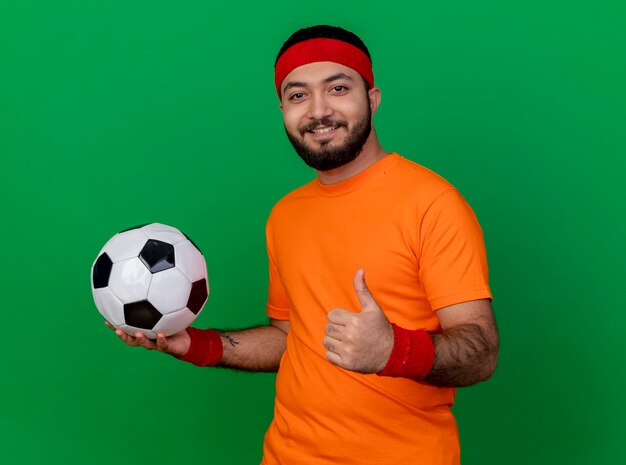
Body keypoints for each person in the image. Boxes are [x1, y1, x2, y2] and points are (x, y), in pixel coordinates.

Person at [108, 25, 499, 465]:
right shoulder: (286, 215)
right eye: (298, 95)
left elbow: (480, 351)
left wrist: (394, 350)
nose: (318, 110)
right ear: (282, 109)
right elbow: (290, 339)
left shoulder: (433, 204)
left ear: (372, 100)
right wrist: (194, 345)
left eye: (337, 88)